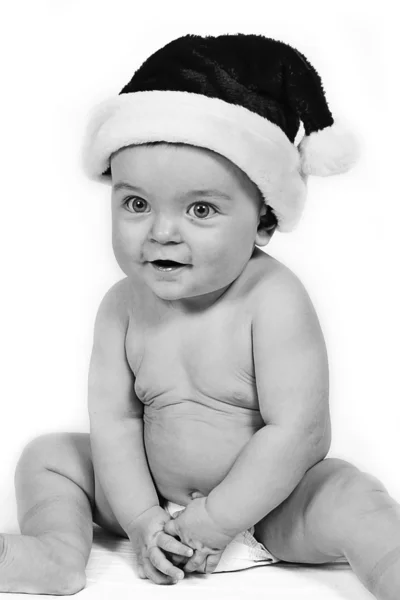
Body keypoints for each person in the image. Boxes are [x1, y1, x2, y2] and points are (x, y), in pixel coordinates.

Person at [0, 33, 399, 599]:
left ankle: (391, 564)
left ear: (264, 221)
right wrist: (141, 520)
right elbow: (116, 423)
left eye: (201, 209)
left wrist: (215, 520)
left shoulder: (273, 299)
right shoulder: (121, 306)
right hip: (150, 505)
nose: (162, 231)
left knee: (350, 497)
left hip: (270, 511)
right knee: (49, 457)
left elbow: (300, 434)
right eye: (136, 204)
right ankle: (57, 553)